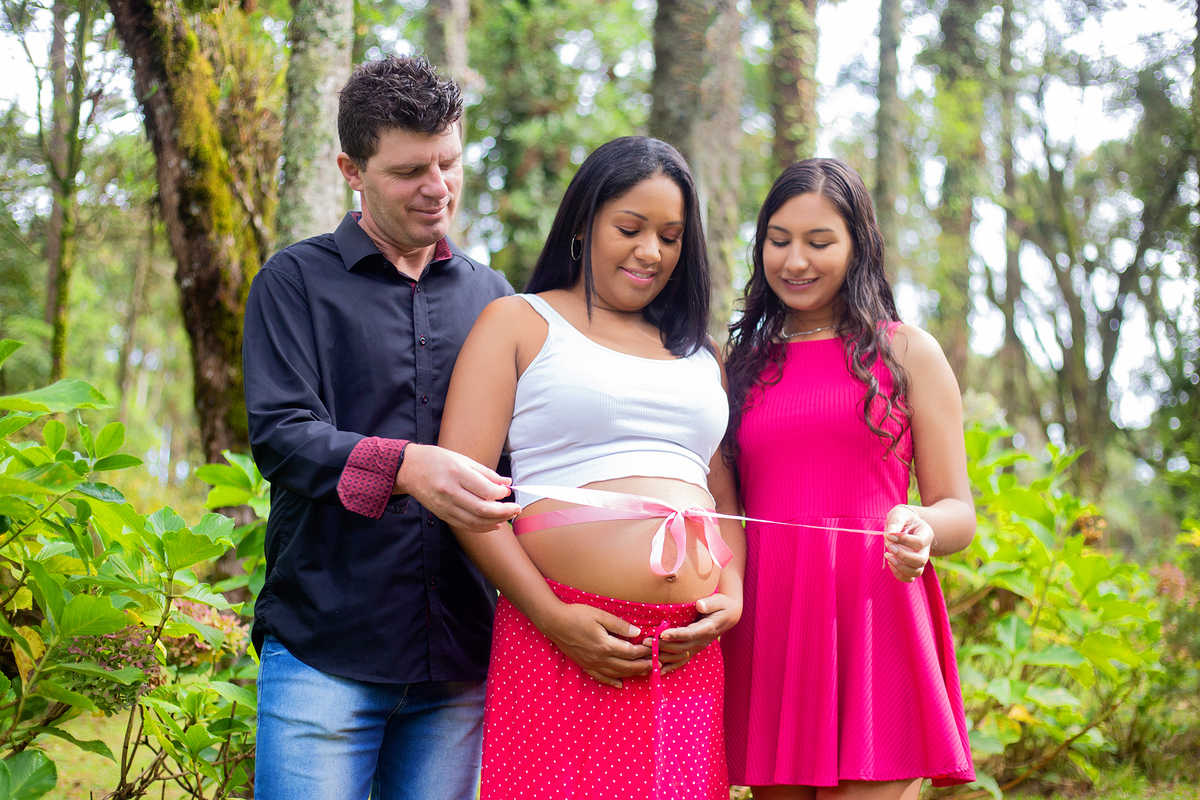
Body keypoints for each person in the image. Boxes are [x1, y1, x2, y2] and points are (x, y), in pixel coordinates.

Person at [242, 55, 520, 800]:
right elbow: (281, 433)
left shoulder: (497, 300)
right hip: (325, 653)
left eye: (450, 163)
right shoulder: (292, 284)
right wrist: (407, 467)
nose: (438, 188)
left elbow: (526, 454)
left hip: (460, 659)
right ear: (351, 168)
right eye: (409, 171)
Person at [438, 136, 745, 800]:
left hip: (684, 655)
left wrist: (733, 593)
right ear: (583, 223)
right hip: (560, 639)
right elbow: (464, 495)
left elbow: (722, 494)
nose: (651, 252)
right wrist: (553, 616)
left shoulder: (700, 354)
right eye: (629, 228)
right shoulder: (518, 323)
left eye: (670, 236)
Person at [721, 158, 977, 800]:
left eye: (819, 241)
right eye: (778, 240)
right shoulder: (739, 365)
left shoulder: (908, 352)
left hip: (873, 612)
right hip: (771, 623)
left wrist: (919, 526)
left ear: (857, 246)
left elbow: (957, 511)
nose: (795, 261)